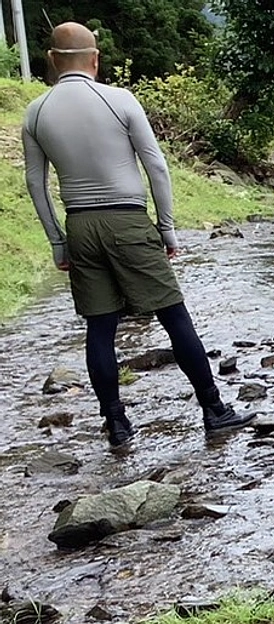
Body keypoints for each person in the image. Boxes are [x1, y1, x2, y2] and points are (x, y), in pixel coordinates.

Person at [22, 22, 251, 448]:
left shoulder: (36, 112)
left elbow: (35, 184)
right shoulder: (120, 100)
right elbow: (157, 166)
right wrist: (166, 228)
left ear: (52, 60)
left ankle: (117, 425)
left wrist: (58, 241)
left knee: (100, 328)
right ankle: (215, 410)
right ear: (95, 59)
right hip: (128, 219)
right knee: (173, 316)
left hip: (79, 224)